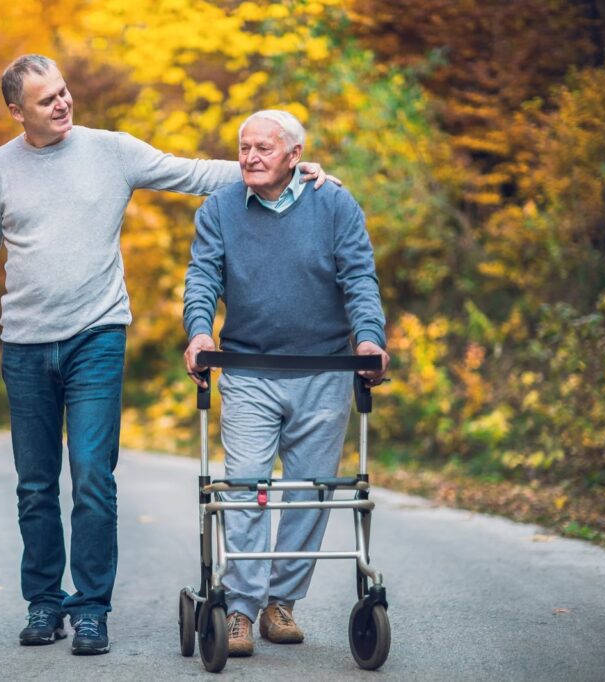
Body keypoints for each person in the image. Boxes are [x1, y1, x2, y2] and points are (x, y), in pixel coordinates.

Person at [0, 54, 335, 656]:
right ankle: (44, 602)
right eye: (47, 98)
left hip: (98, 334)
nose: (63, 103)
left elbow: (197, 175)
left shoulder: (111, 150)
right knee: (34, 484)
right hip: (23, 343)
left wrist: (284, 169)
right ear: (16, 110)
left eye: (65, 91)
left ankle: (92, 610)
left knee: (95, 480)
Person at [182, 110, 389, 657]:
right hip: (248, 369)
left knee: (310, 491)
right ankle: (242, 611)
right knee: (247, 486)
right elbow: (203, 276)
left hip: (325, 369)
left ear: (294, 156)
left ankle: (282, 604)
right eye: (244, 147)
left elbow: (359, 277)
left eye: (263, 149)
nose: (249, 157)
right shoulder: (220, 209)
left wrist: (368, 339)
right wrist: (200, 332)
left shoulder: (335, 203)